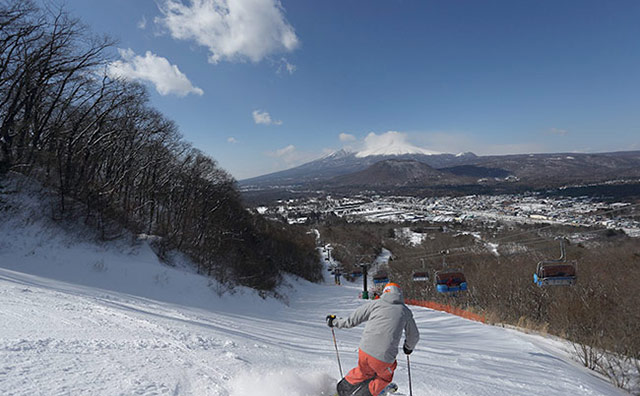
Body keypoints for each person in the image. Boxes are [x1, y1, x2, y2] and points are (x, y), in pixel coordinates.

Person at [326, 282, 419, 396]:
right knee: (384, 377)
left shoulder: (375, 304)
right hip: (384, 359)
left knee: (362, 372)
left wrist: (334, 322)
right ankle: (371, 390)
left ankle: (340, 390)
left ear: (385, 292)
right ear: (400, 294)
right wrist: (408, 348)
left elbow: (351, 320)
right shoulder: (404, 311)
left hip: (365, 352)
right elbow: (414, 336)